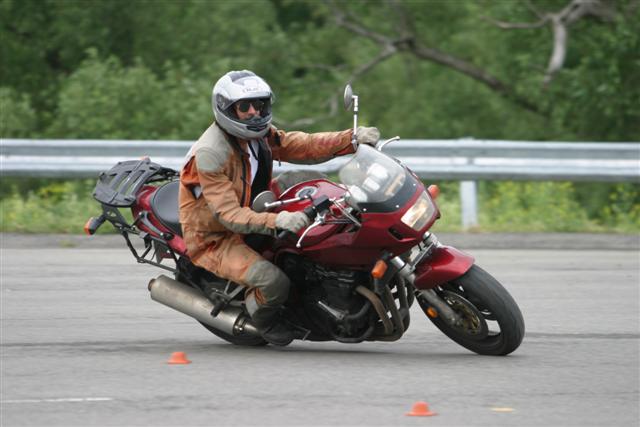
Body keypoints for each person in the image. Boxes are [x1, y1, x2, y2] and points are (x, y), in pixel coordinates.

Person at [178, 70, 379, 345]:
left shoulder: (258, 136)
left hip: (256, 205)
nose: (253, 112)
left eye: (258, 105)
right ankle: (263, 321)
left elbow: (301, 145)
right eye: (244, 106)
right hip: (215, 236)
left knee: (323, 214)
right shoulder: (211, 154)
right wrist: (278, 221)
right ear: (226, 109)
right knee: (274, 283)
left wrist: (351, 139)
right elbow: (228, 215)